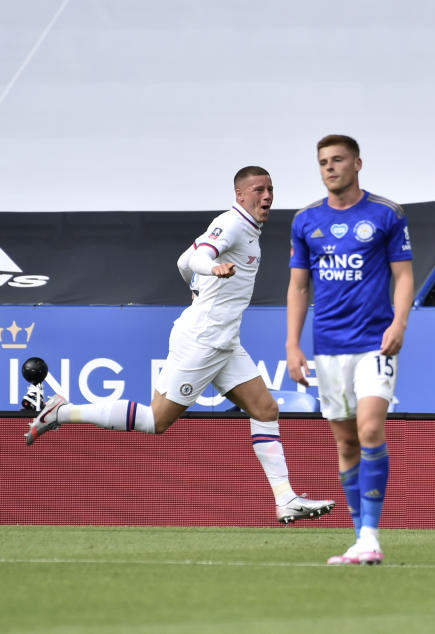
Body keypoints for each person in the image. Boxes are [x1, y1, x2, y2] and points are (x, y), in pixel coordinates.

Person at [25, 166, 335, 525]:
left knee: (265, 409)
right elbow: (202, 254)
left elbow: (182, 260)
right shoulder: (232, 223)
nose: (266, 196)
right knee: (156, 421)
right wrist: (210, 270)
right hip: (202, 340)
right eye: (258, 190)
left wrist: (195, 282)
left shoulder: (249, 230)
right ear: (240, 195)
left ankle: (286, 500)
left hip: (225, 342)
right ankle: (60, 412)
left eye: (270, 189)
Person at [286, 135, 413, 565]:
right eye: (323, 161)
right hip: (328, 348)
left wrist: (399, 323)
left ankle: (372, 536)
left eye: (337, 160)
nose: (329, 167)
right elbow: (299, 286)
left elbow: (404, 276)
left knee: (371, 430)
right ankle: (361, 539)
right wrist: (292, 344)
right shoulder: (306, 221)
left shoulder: (386, 214)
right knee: (345, 445)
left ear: (357, 163)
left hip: (374, 343)